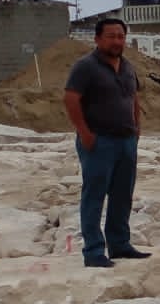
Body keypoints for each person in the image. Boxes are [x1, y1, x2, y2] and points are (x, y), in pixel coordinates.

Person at [63, 18, 151, 268]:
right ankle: (93, 251)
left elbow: (133, 97)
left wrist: (136, 128)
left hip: (126, 141)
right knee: (94, 196)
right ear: (97, 39)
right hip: (98, 141)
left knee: (123, 195)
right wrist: (84, 132)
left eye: (120, 36)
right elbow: (71, 99)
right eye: (111, 36)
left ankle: (120, 244)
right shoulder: (85, 67)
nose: (116, 41)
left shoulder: (128, 67)